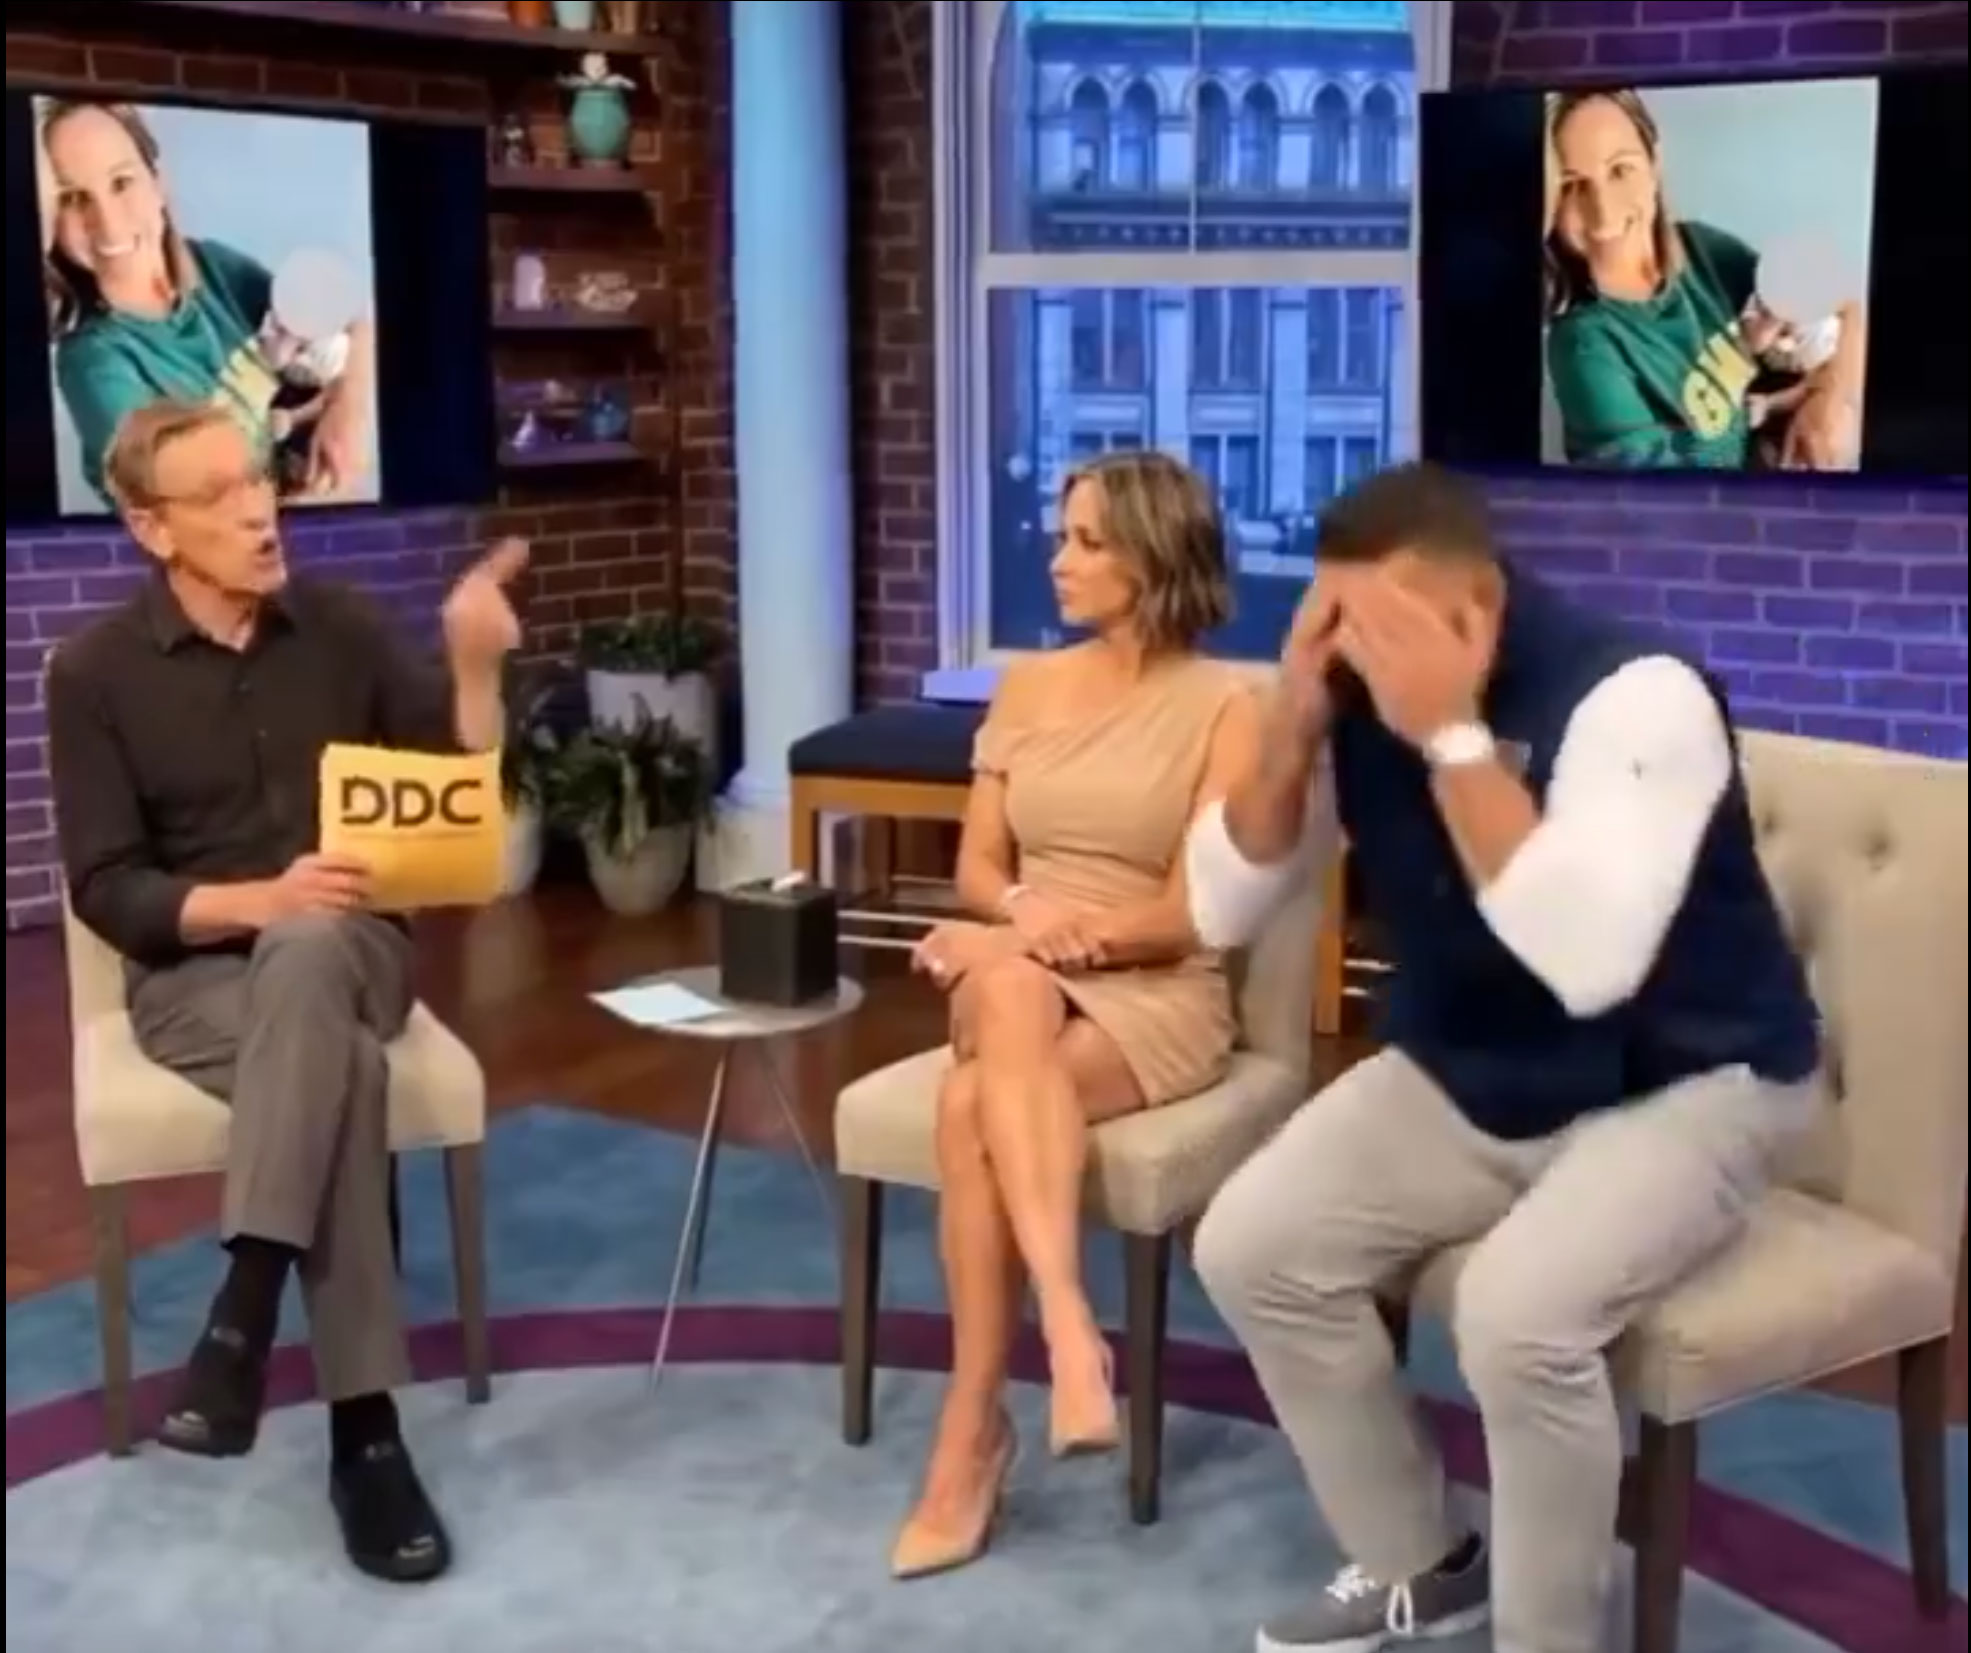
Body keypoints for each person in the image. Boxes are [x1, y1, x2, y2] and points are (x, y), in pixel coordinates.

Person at [1186, 462, 1822, 1653]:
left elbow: (1587, 965)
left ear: (1475, 608)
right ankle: (1419, 1561)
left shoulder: (1639, 696)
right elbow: (1222, 909)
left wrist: (1452, 737)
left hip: (1690, 1080)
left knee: (1518, 1318)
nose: (1351, 653)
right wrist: (1288, 728)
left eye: (1378, 628)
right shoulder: (1345, 695)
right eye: (1331, 621)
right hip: (1481, 1063)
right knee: (1253, 1246)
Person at [46, 399, 525, 1584]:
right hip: (196, 980)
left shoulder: (345, 628)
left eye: (259, 478)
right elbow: (108, 887)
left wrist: (475, 667)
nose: (261, 510)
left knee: (314, 950)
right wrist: (257, 900)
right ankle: (367, 1439)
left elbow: (456, 795)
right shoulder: (94, 675)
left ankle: (245, 1302)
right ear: (152, 528)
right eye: (218, 496)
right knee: (336, 1064)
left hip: (358, 953)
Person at [891, 449, 1259, 1579]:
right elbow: (977, 865)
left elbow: (1188, 914)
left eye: (1088, 541)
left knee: (971, 1107)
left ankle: (972, 1433)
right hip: (1026, 974)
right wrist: (1016, 920)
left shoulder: (1228, 709)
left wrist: (1015, 942)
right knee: (1008, 994)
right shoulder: (1026, 688)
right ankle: (1066, 1326)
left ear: (1154, 557)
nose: (1059, 558)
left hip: (1155, 987)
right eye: (1063, 534)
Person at [37, 99, 375, 505]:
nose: (108, 223)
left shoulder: (214, 266)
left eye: (121, 182)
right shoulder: (90, 362)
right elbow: (190, 497)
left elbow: (350, 322)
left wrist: (347, 408)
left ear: (158, 184)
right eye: (72, 198)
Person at [1543, 88, 1865, 472]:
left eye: (1620, 170)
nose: (1603, 211)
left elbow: (1846, 306)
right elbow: (1655, 493)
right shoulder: (1583, 344)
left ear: (1654, 165)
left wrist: (1832, 396)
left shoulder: (1702, 248)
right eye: (1572, 185)